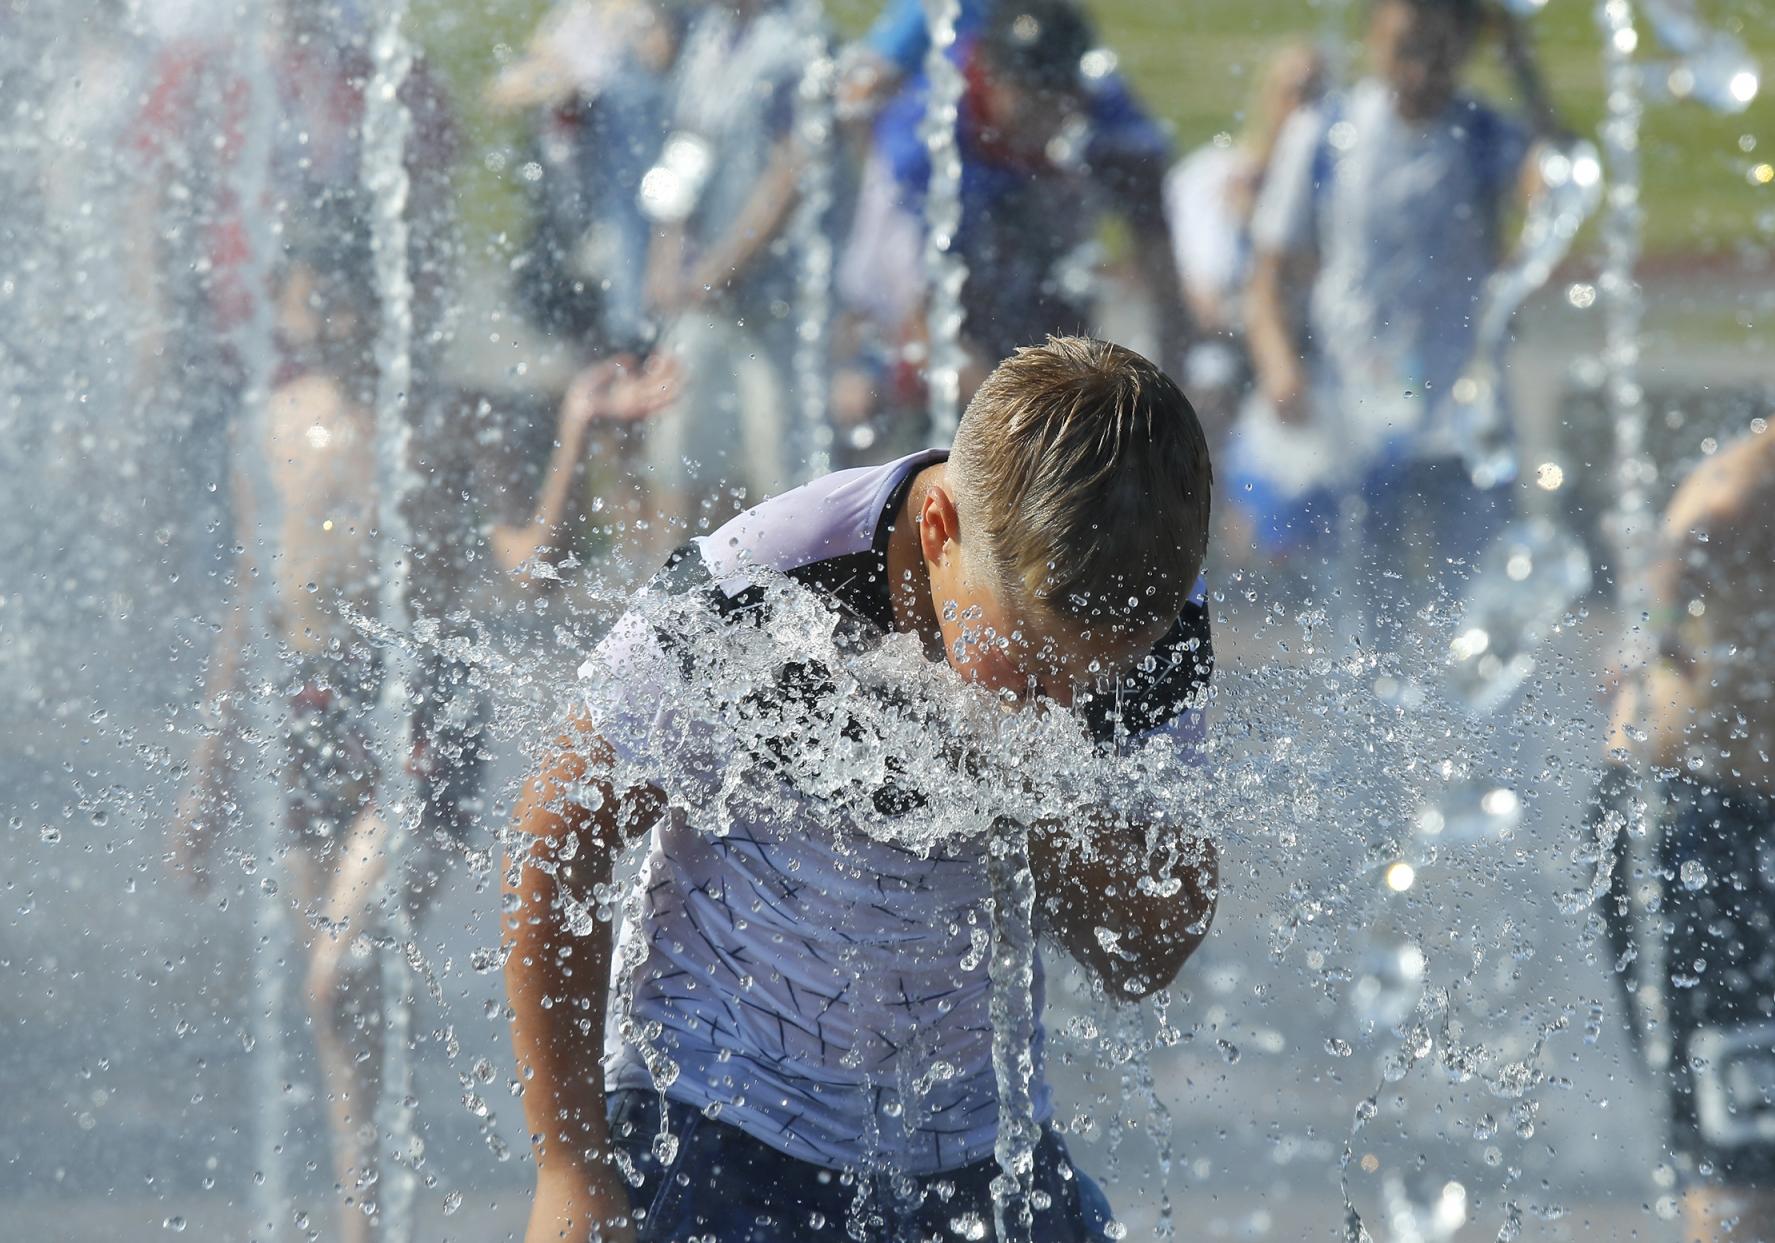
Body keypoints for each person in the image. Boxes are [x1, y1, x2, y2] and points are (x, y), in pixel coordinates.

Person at [503, 335, 1219, 1242]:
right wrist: (570, 1169)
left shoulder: (1142, 603)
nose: (1067, 705)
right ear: (938, 531)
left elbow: (1151, 949)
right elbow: (554, 832)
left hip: (977, 1145)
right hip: (720, 1117)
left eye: (1098, 679)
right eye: (1036, 671)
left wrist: (1037, 802)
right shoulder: (768, 585)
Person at [1241, 0, 1557, 623]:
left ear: (1465, 50)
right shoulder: (1329, 133)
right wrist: (1278, 364)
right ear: (1373, 40)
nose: (1420, 71)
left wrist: (1521, 63)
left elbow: (1559, 186)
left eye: (1440, 51)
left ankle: (1484, 721)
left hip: (1462, 409)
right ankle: (1364, 713)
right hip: (1355, 405)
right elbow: (1267, 277)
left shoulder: (1484, 134)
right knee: (1362, 604)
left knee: (1476, 597)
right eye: (1405, 48)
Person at [850, 0, 1195, 422]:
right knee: (867, 398)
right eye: (1032, 101)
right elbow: (917, 322)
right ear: (989, 81)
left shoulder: (1105, 109)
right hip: (911, 309)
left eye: (1059, 99)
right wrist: (1014, 423)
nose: (1049, 116)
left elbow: (1158, 249)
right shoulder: (926, 130)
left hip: (1031, 283)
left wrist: (1177, 385)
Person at [1598, 424, 1775, 1243]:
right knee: (1741, 1148)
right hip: (1699, 829)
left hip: (1736, 821)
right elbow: (1691, 536)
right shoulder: (1752, 474)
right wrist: (1654, 620)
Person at [1162, 42, 1325, 440]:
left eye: (1316, 98)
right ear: (1266, 98)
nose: (1301, 112)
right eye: (1292, 93)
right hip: (1227, 352)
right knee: (1207, 395)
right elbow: (1201, 300)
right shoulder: (1205, 179)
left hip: (1308, 355)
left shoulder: (1336, 196)